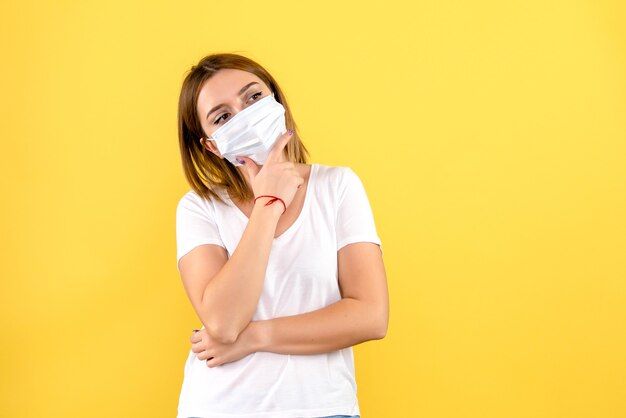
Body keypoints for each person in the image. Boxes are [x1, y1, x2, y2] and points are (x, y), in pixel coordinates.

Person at [175, 52, 389, 418]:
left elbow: (371, 316)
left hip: (324, 407)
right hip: (220, 408)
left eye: (253, 97)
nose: (243, 115)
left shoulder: (337, 187)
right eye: (223, 116)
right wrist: (268, 204)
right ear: (212, 145)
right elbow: (223, 324)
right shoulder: (199, 207)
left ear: (276, 100)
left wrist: (255, 337)